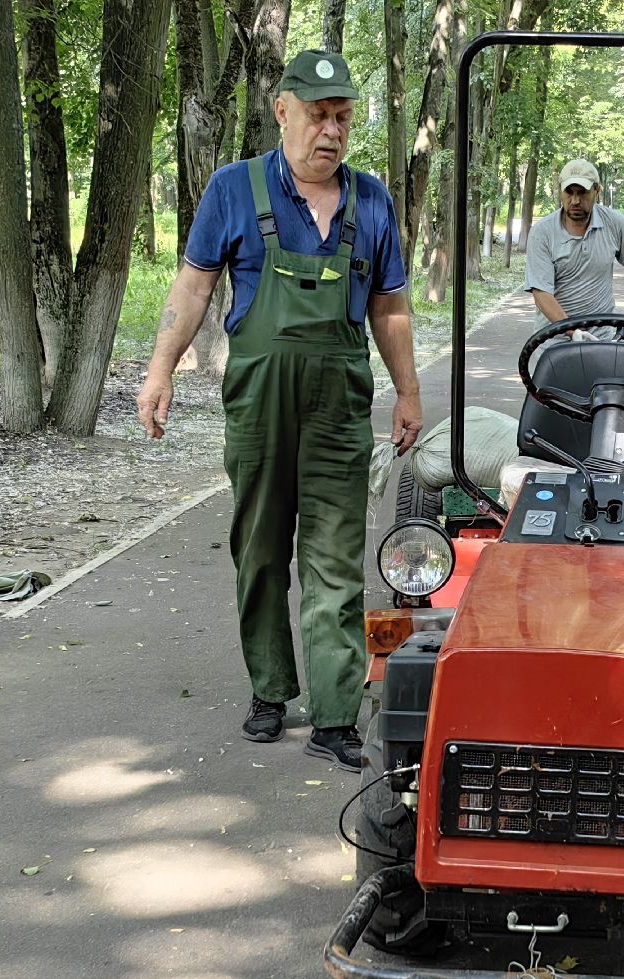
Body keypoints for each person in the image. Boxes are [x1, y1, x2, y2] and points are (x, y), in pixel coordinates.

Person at [135, 50, 422, 769]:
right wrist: (159, 371)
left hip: (338, 407)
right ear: (283, 110)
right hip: (259, 403)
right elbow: (194, 288)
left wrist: (409, 392)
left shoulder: (373, 200)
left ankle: (333, 715)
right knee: (259, 548)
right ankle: (269, 691)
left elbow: (389, 309)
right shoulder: (234, 189)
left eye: (343, 118)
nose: (330, 131)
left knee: (334, 556)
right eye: (319, 115)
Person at [524, 159, 624, 340]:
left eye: (582, 193)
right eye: (569, 192)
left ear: (597, 190)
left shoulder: (614, 224)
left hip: (602, 338)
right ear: (560, 191)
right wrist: (572, 331)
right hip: (553, 341)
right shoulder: (542, 233)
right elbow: (541, 292)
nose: (575, 200)